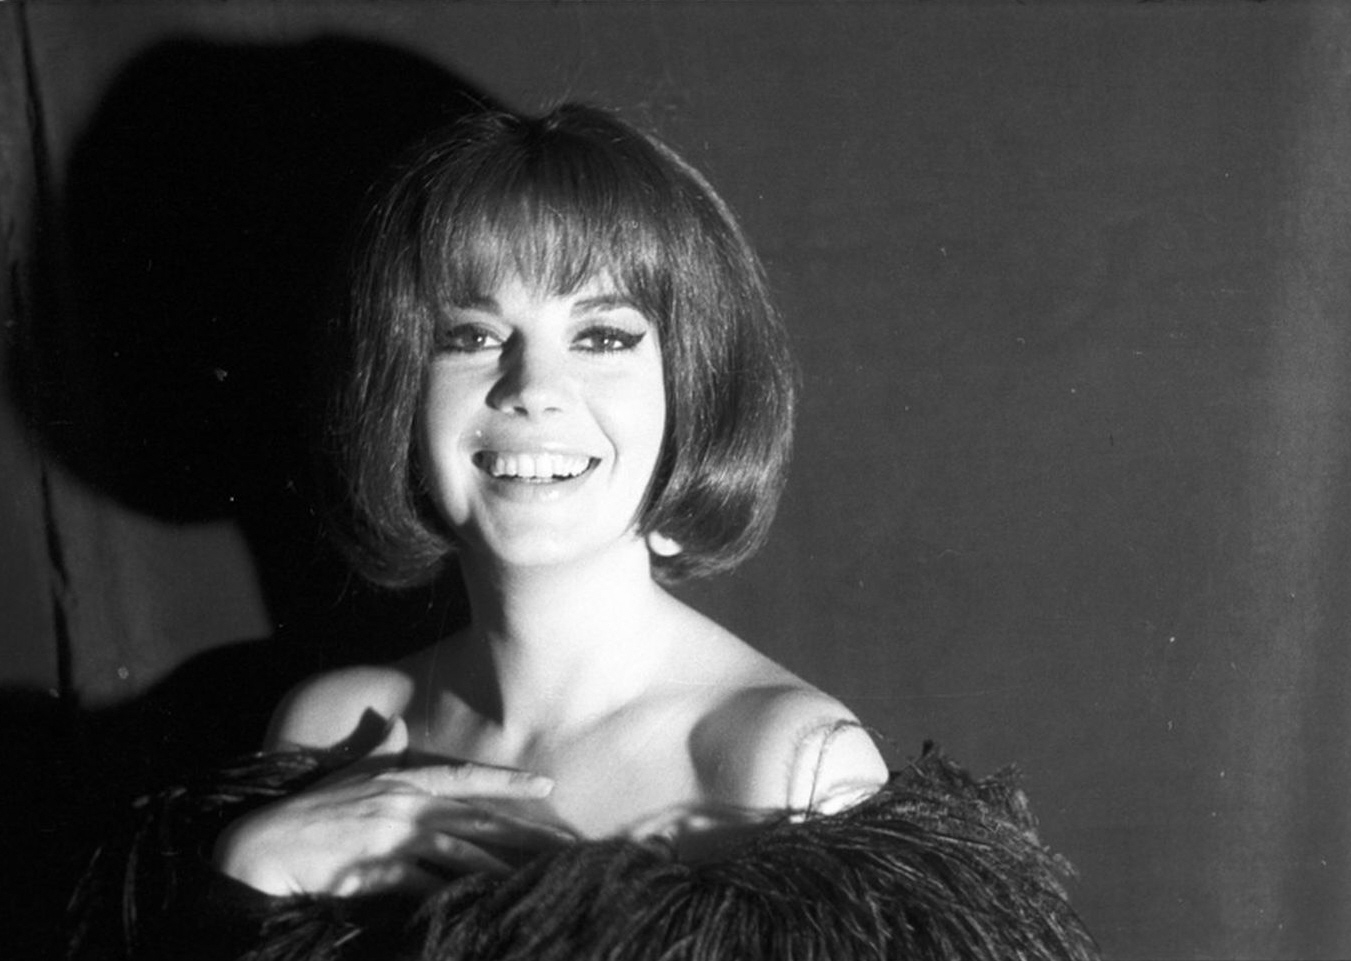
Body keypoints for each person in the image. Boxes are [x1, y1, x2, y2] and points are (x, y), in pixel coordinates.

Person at [211, 103, 891, 899]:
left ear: (692, 390)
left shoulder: (790, 768)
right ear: (401, 389)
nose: (532, 388)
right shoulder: (329, 730)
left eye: (601, 337)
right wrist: (249, 865)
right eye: (470, 335)